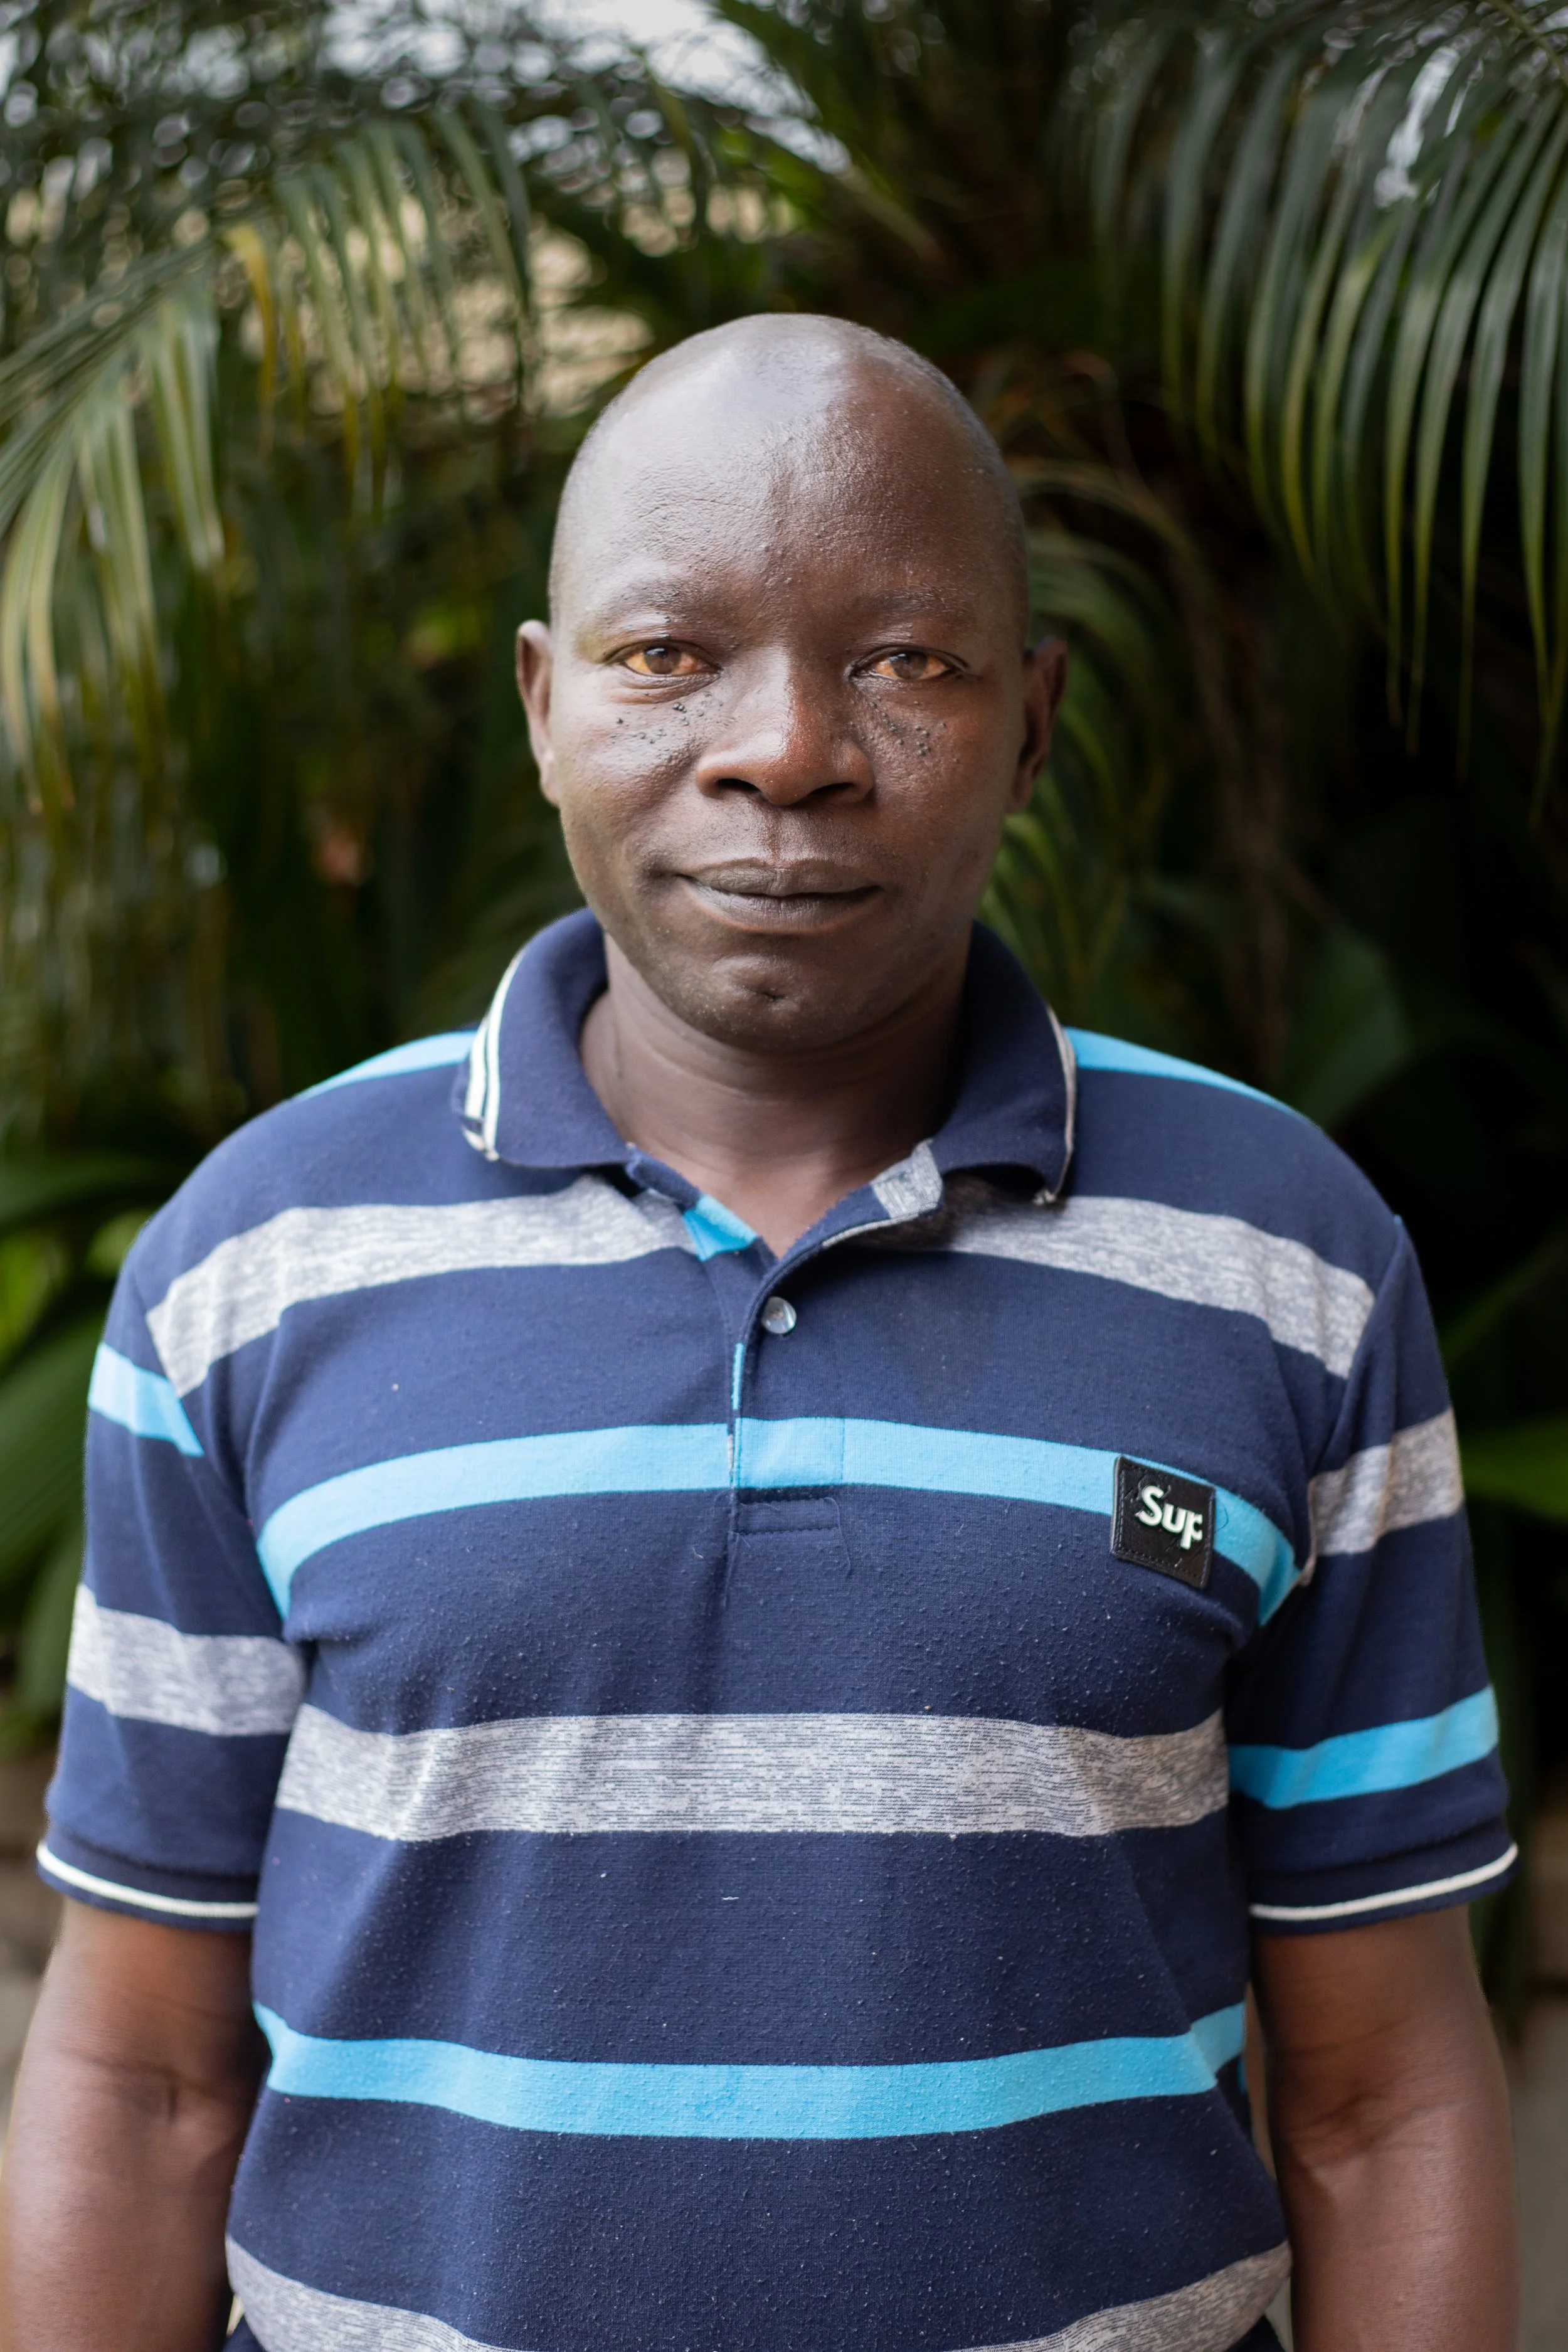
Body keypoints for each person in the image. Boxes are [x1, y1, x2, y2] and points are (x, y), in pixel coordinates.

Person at [0, 315, 1518, 2352]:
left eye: (904, 658)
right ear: (543, 709)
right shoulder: (253, 1270)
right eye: (665, 652)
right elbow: (144, 2075)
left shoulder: (1285, 1263)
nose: (785, 746)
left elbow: (1379, 2088)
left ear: (1033, 718)